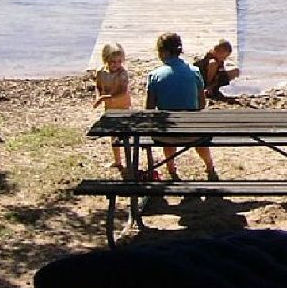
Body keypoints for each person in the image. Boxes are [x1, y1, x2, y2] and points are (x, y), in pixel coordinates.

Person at [144, 31, 218, 181]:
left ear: (163, 52)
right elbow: (201, 105)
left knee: (166, 129)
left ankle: (171, 169)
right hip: (193, 133)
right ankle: (209, 166)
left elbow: (149, 109)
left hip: (167, 135)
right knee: (200, 135)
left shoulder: (154, 76)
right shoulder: (195, 72)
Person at [92, 42, 131, 172]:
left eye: (119, 61)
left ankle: (129, 160)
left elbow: (122, 92)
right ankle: (117, 160)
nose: (116, 64)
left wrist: (104, 98)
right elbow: (98, 86)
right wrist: (99, 96)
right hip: (109, 108)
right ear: (106, 60)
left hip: (123, 106)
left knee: (124, 135)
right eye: (113, 62)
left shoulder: (122, 73)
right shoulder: (101, 72)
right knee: (113, 135)